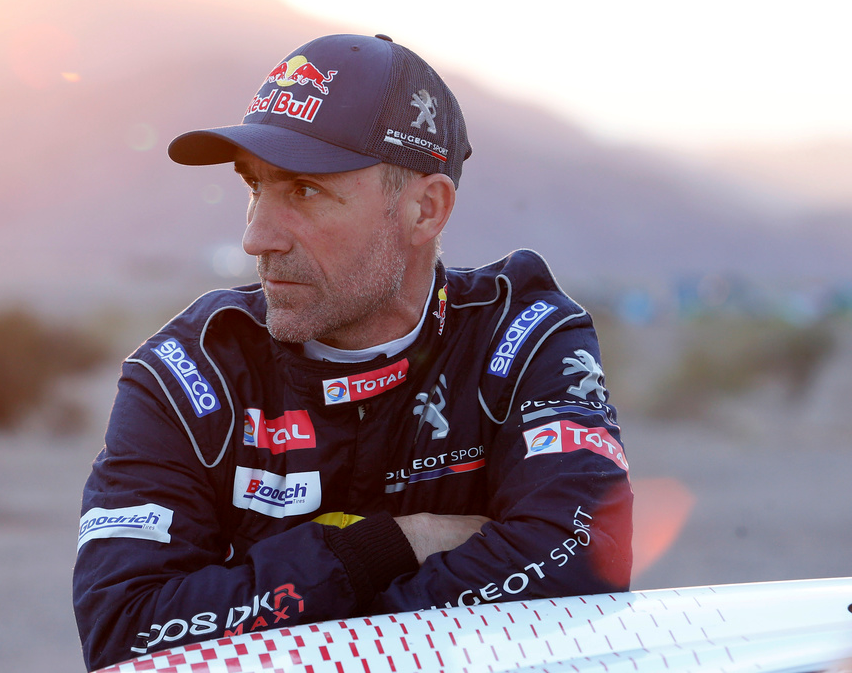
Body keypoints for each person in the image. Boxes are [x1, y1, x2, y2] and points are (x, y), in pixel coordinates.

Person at [73, 33, 633, 671]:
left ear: (425, 210)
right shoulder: (190, 373)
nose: (256, 237)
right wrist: (390, 545)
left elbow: (585, 558)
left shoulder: (523, 336)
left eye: (304, 191)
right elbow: (122, 635)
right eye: (255, 186)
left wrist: (298, 616)